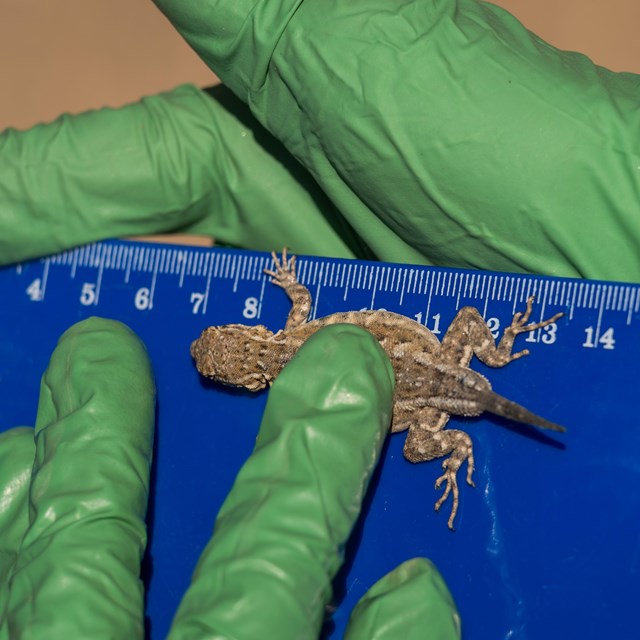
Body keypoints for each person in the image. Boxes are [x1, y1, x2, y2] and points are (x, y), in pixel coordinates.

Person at [0, 0, 637, 636]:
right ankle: (495, 355)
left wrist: (441, 441)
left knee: (424, 444)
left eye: (224, 343)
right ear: (250, 346)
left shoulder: (301, 379)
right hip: (449, 360)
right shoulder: (299, 327)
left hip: (436, 407)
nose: (225, 343)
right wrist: (288, 283)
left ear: (254, 374)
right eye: (226, 346)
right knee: (471, 328)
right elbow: (303, 301)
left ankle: (455, 447)